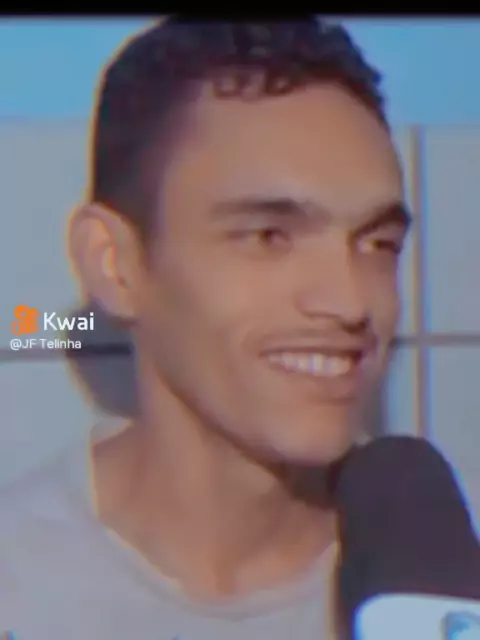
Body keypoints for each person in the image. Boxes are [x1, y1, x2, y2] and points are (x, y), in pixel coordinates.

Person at [0, 17, 411, 640]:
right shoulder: (17, 587)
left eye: (377, 244)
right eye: (269, 237)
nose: (350, 301)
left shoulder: (447, 580)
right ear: (115, 264)